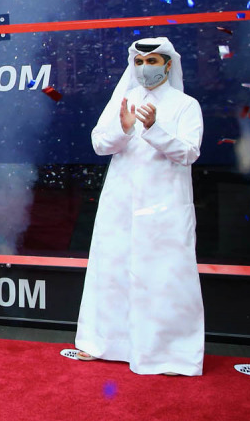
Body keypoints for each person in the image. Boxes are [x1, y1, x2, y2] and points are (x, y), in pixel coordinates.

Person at [74, 37, 205, 376]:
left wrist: (154, 130)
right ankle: (104, 343)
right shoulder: (125, 99)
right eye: (140, 61)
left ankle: (170, 353)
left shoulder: (186, 105)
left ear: (168, 65)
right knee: (113, 271)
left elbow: (189, 152)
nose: (145, 68)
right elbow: (99, 143)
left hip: (165, 205)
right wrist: (124, 130)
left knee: (165, 277)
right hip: (120, 203)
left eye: (153, 61)